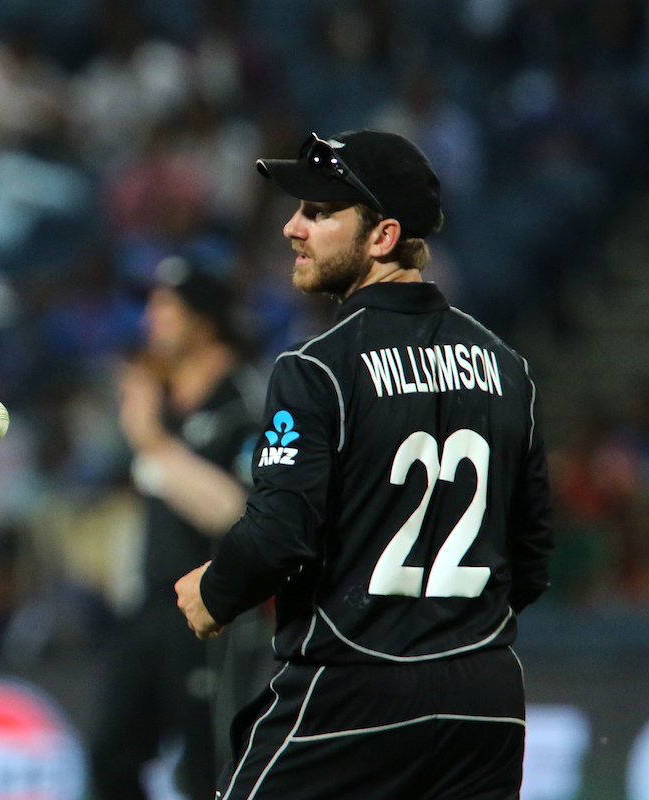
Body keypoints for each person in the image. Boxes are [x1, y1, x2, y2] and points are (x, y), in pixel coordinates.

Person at [175, 130, 552, 799]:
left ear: (382, 236)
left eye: (319, 213)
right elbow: (529, 559)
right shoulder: (508, 369)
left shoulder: (317, 368)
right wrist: (445, 628)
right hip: (484, 701)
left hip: (353, 687)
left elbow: (277, 533)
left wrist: (216, 591)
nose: (293, 227)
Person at [91, 255, 265, 800]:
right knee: (109, 758)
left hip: (213, 614)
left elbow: (236, 512)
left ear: (204, 319)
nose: (150, 319)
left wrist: (150, 440)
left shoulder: (244, 402)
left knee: (209, 770)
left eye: (166, 306)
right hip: (147, 609)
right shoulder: (162, 402)